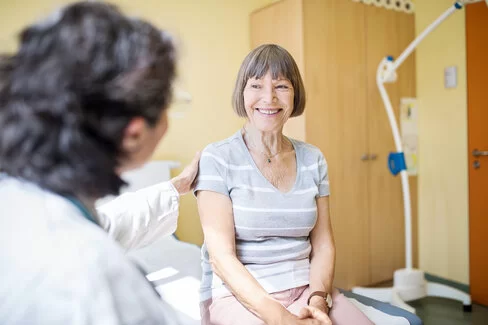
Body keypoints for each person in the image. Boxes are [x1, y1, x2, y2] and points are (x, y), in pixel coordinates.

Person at [0, 2, 197, 324]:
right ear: (133, 133)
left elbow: (100, 226)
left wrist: (177, 187)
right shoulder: (94, 277)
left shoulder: (20, 201)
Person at [195, 44, 374, 325]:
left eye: (281, 86)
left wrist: (318, 300)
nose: (269, 98)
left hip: (305, 288)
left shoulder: (313, 158)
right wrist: (282, 319)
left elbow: (323, 242)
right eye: (256, 85)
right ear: (242, 93)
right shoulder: (217, 158)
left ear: (295, 95)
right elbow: (221, 258)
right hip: (238, 296)